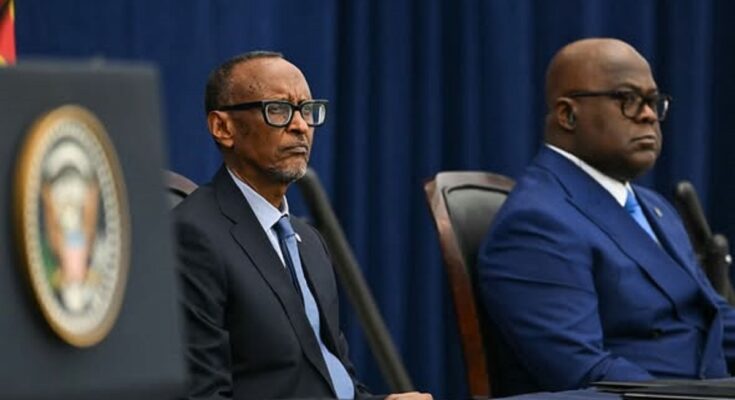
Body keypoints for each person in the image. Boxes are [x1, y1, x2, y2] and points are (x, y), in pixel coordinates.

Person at [477, 38, 735, 396]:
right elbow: (585, 370)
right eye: (627, 99)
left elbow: (714, 320)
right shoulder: (537, 222)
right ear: (568, 115)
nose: (648, 115)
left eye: (653, 101)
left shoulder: (654, 207)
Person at [174, 51, 431, 400]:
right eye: (278, 109)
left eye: (307, 110)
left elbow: (333, 379)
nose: (300, 126)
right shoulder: (192, 236)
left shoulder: (309, 241)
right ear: (223, 127)